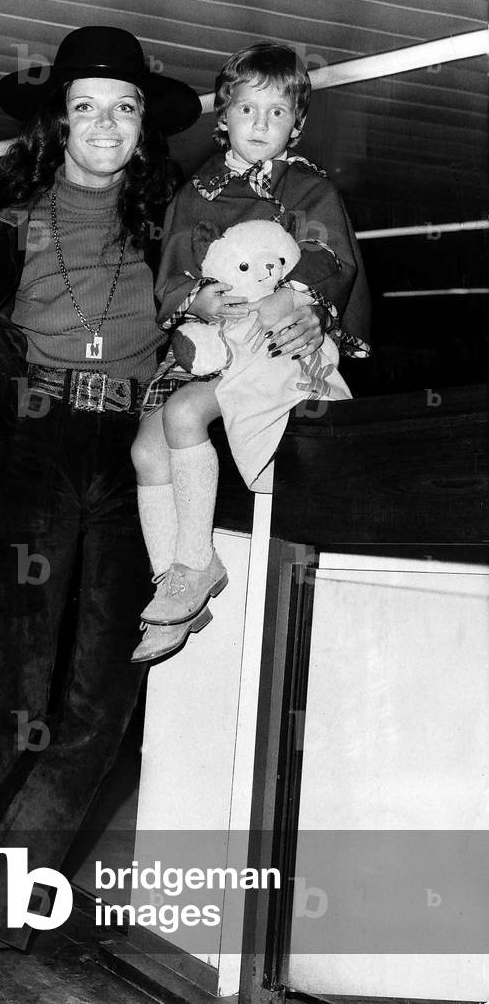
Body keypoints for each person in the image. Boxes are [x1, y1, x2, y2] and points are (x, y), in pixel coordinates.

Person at [0, 26, 202, 997]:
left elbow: (239, 312)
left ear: (141, 129)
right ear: (58, 123)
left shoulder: (175, 229)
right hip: (36, 447)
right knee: (17, 699)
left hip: (130, 461)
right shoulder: (10, 227)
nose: (106, 124)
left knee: (97, 710)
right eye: (87, 106)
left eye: (123, 107)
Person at [130, 42, 371, 663]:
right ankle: (176, 575)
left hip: (272, 352)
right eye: (247, 110)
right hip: (212, 343)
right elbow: (174, 275)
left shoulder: (311, 189)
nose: (260, 125)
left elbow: (333, 262)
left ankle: (194, 564)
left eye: (277, 112)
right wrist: (198, 300)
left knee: (183, 415)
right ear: (223, 117)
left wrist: (296, 299)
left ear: (298, 123)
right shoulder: (196, 192)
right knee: (144, 447)